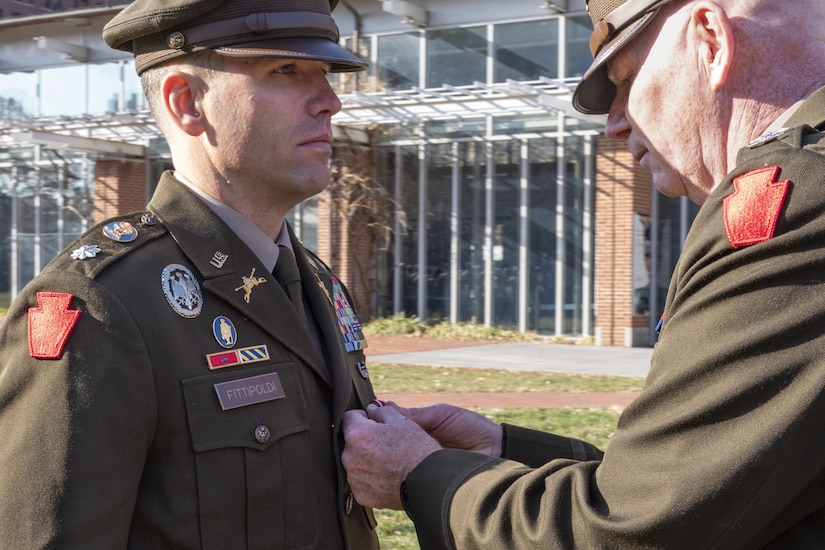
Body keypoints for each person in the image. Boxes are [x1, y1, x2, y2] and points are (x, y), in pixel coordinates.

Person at [342, 0, 825, 547]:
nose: (616, 123)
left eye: (629, 79)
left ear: (710, 39)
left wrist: (421, 476)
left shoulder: (794, 200)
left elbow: (631, 531)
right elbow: (717, 486)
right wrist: (503, 452)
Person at [0, 0, 380, 548]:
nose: (330, 102)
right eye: (287, 71)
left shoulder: (318, 283)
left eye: (326, 74)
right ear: (187, 103)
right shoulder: (103, 304)